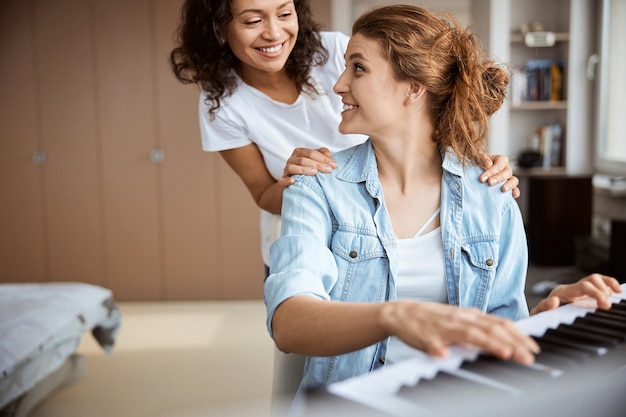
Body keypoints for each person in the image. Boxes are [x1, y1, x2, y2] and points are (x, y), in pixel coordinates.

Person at [264, 4, 622, 404]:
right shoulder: (316, 185)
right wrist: (395, 316)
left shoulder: (492, 194)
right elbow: (289, 323)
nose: (339, 85)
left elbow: (504, 332)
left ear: (413, 88)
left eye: (358, 68)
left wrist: (553, 318)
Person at [168, 0, 521, 276]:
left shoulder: (337, 50)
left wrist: (475, 163)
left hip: (395, 212)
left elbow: (415, 117)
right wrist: (297, 182)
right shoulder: (222, 105)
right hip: (310, 229)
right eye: (252, 20)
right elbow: (264, 192)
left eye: (285, 13)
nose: (274, 33)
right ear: (219, 30)